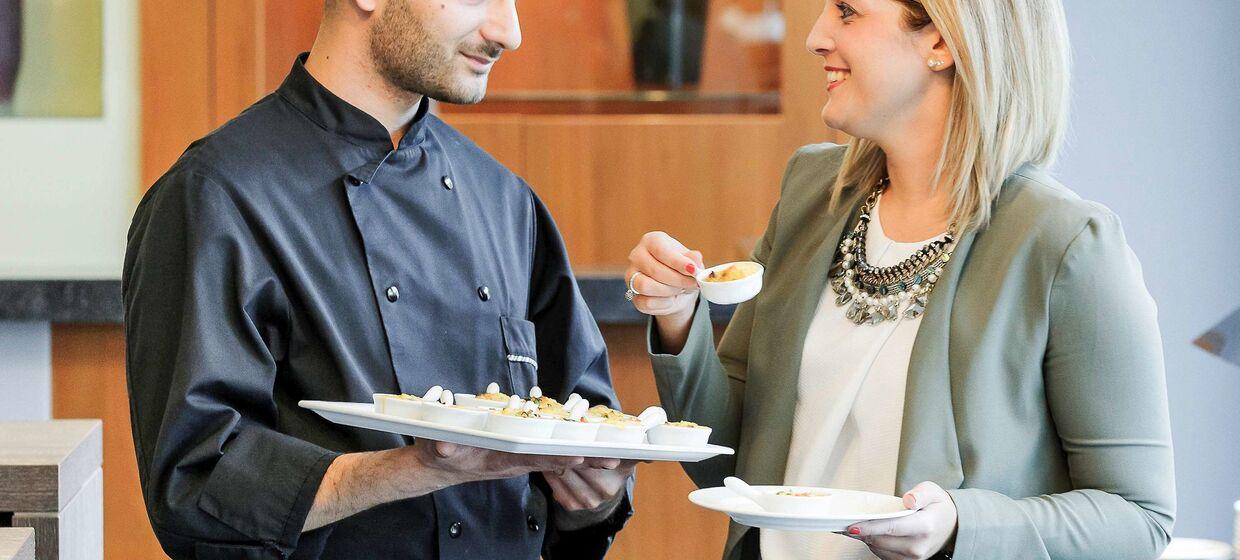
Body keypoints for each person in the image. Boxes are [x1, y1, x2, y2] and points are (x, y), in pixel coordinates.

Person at [625, 1, 1174, 559]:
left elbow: (1138, 519)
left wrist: (963, 526)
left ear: (941, 43)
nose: (816, 37)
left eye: (848, 12)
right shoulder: (811, 194)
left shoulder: (1065, 242)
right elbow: (733, 463)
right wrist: (678, 317)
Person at [123, 1, 634, 558]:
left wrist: (597, 494)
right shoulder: (215, 197)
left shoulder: (506, 202)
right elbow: (197, 483)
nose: (508, 32)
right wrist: (414, 469)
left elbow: (584, 438)